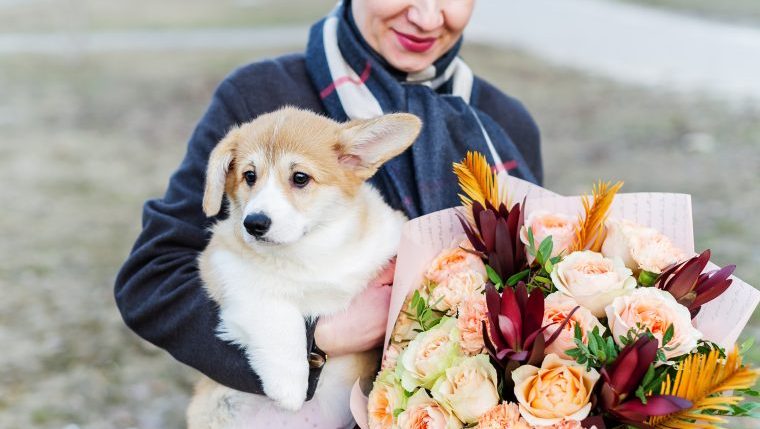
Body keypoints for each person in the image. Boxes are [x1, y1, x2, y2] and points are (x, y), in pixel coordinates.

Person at [114, 0, 543, 403]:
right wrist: (319, 337)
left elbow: (535, 285)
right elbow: (153, 281)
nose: (428, 17)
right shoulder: (258, 99)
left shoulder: (503, 122)